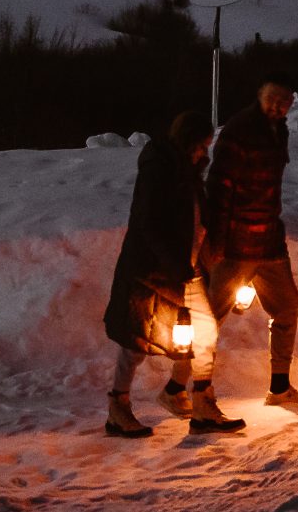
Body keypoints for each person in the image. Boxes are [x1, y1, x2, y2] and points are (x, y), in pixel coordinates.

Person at [99, 110, 243, 436]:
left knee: (205, 335)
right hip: (151, 271)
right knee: (136, 342)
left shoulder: (189, 172)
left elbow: (196, 219)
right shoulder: (158, 169)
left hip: (187, 271)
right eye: (202, 145)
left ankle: (204, 406)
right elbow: (149, 222)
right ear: (187, 141)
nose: (204, 153)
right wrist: (174, 266)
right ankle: (118, 408)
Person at [204, 75, 298, 406]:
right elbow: (220, 187)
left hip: (269, 240)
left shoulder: (278, 129)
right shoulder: (239, 131)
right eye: (275, 100)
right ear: (261, 97)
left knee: (286, 307)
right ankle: (189, 389)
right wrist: (217, 241)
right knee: (210, 317)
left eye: (286, 103)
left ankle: (279, 387)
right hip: (236, 242)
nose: (280, 108)